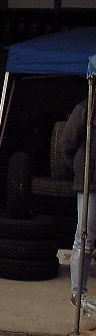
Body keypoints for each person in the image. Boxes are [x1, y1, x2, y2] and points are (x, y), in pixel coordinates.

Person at [61, 99, 96, 307]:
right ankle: (78, 294)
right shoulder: (86, 107)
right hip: (91, 183)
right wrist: (81, 171)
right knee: (85, 239)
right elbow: (68, 143)